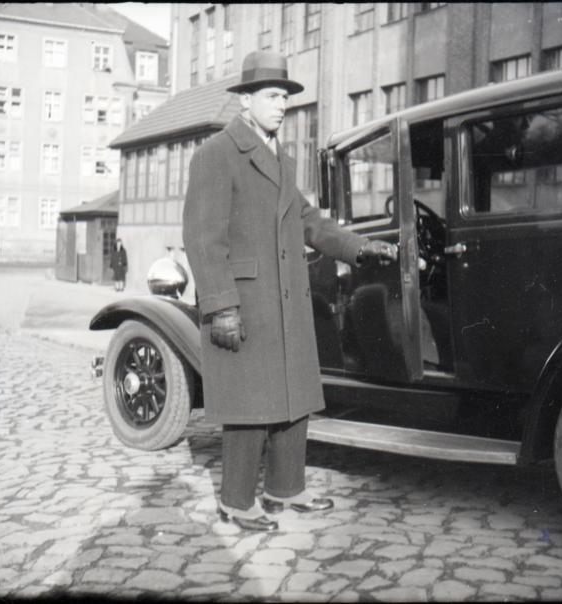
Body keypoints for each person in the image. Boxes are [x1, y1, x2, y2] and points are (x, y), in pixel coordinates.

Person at [183, 51, 397, 532]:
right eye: (273, 96)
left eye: (286, 98)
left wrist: (360, 248)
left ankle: (286, 489)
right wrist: (221, 307)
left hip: (284, 298)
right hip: (245, 302)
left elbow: (305, 219)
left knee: (292, 395)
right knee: (249, 404)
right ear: (245, 100)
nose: (282, 106)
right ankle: (236, 502)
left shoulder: (280, 156)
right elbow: (203, 238)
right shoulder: (216, 155)